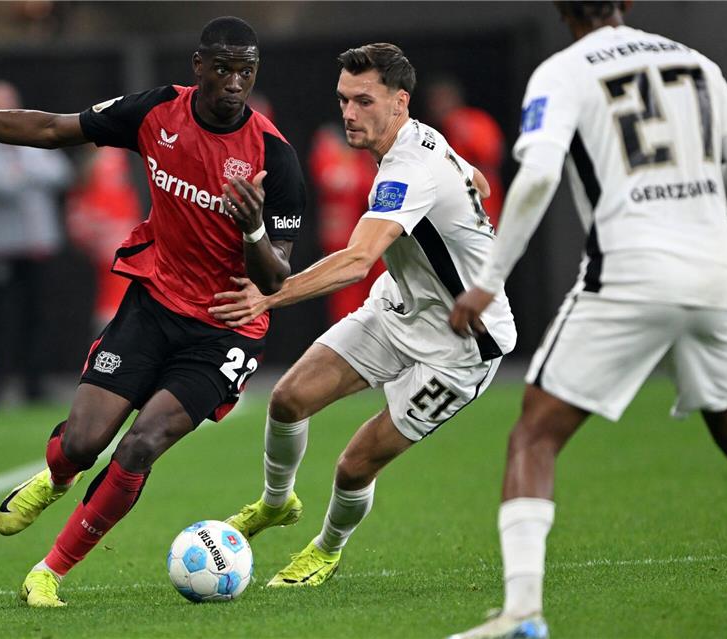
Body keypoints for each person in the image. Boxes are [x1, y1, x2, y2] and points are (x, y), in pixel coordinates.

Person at [0, 16, 305, 607]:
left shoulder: (274, 157)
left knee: (140, 444)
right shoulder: (156, 112)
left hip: (224, 329)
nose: (234, 82)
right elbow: (53, 129)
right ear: (198, 67)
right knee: (85, 443)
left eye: (246, 70)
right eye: (223, 68)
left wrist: (254, 229)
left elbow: (275, 277)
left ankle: (49, 571)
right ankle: (58, 474)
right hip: (153, 304)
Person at [447, 3, 727, 637]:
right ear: (625, 1)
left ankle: (522, 613)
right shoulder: (695, 62)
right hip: (714, 272)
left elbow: (539, 174)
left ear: (563, 10)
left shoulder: (563, 70)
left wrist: (488, 282)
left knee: (534, 436)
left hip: (629, 273)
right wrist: (693, 184)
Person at [211, 43, 516, 587]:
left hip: (463, 344)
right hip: (400, 307)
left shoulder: (408, 168)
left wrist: (266, 296)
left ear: (399, 102)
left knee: (353, 465)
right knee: (288, 399)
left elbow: (356, 262)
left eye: (364, 101)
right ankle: (276, 503)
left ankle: (326, 550)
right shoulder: (421, 138)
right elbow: (481, 182)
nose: (349, 113)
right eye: (344, 100)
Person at [0, 80, 74, 401]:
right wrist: (31, 173)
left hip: (39, 243)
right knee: (2, 319)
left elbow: (61, 174)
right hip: (1, 246)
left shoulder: (33, 138)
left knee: (38, 317)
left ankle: (35, 385)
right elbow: (0, 185)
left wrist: (22, 171)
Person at [308, 122, 382, 323]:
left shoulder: (363, 159)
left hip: (370, 240)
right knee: (345, 307)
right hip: (340, 240)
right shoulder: (330, 156)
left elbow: (371, 189)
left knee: (379, 297)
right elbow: (335, 179)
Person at [66, 145, 144, 330]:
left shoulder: (113, 155)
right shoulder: (109, 156)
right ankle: (108, 339)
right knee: (113, 292)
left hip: (118, 232)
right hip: (112, 234)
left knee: (115, 291)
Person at [426, 78, 506, 228]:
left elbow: (492, 154)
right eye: (434, 102)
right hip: (452, 208)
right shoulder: (430, 131)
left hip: (483, 201)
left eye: (441, 100)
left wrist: (461, 129)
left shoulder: (475, 120)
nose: (437, 106)